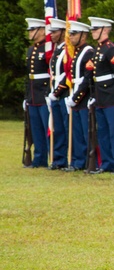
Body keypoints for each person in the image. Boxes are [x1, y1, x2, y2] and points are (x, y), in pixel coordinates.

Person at [87, 17, 114, 175]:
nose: (93, 32)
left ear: (105, 30)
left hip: (111, 95)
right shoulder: (98, 49)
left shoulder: (111, 49)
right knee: (103, 132)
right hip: (100, 95)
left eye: (96, 29)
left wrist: (110, 87)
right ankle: (107, 163)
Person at [63, 21, 94, 171]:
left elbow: (87, 78)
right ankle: (77, 161)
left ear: (83, 36)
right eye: (70, 34)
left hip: (83, 97)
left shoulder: (88, 52)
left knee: (85, 131)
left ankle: (88, 161)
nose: (71, 37)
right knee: (76, 132)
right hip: (75, 93)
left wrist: (76, 98)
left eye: (74, 34)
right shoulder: (76, 52)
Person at [24, 18, 49, 168]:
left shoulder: (48, 49)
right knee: (36, 129)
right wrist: (27, 96)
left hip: (44, 93)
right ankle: (39, 158)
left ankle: (52, 158)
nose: (30, 33)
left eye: (33, 30)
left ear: (41, 31)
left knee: (47, 128)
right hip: (33, 94)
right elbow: (29, 75)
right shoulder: (31, 50)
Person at [46, 19, 69, 169]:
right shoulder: (58, 50)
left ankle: (70, 159)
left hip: (64, 93)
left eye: (54, 32)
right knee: (58, 129)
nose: (51, 35)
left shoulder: (68, 50)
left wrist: (57, 91)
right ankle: (59, 159)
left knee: (66, 129)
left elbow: (67, 73)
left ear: (62, 32)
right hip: (55, 93)